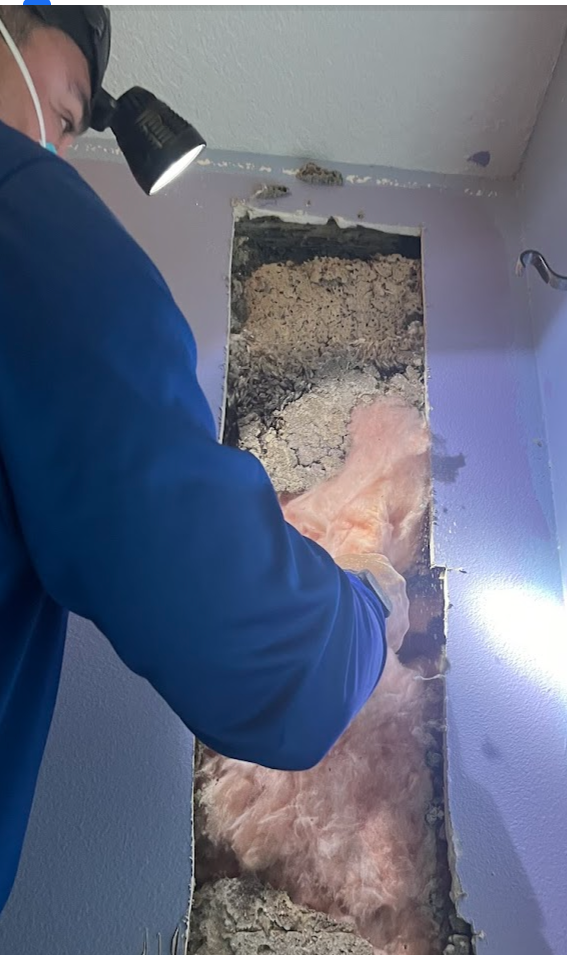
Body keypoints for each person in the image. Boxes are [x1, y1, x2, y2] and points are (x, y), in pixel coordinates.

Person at [0, 5, 410, 915]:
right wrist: (366, 616)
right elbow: (267, 657)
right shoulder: (24, 218)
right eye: (65, 113)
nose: (56, 152)